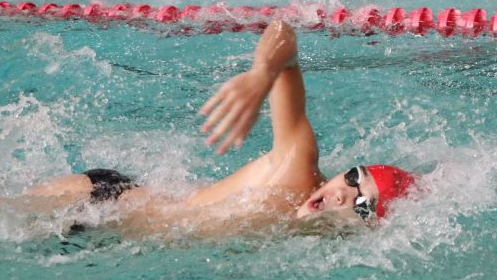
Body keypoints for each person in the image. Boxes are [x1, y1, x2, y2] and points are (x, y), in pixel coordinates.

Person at [28, 20, 415, 237]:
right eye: (352, 177)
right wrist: (264, 75)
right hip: (101, 204)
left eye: (363, 204)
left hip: (108, 241)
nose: (342, 194)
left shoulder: (311, 242)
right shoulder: (296, 171)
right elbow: (285, 34)